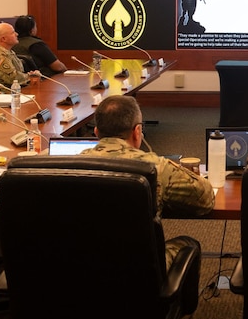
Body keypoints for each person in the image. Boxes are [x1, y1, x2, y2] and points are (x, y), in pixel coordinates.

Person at [79, 95, 214, 265]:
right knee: (187, 244)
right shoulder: (155, 166)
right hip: (138, 268)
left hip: (81, 266)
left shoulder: (69, 168)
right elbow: (205, 199)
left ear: (96, 132)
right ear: (137, 132)